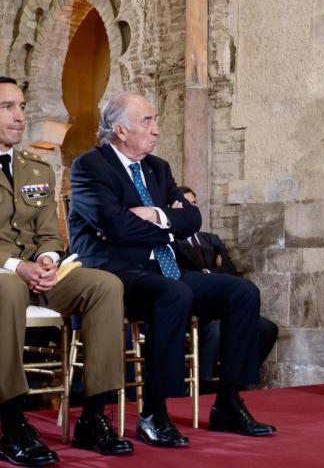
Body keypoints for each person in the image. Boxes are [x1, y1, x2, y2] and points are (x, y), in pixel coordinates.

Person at [0, 76, 132, 465]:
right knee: (7, 288)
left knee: (105, 285)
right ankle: (12, 422)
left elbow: (49, 235)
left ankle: (93, 417)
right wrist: (16, 266)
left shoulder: (37, 168)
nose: (20, 116)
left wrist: (47, 259)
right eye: (7, 107)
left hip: (34, 271)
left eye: (22, 106)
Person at [67, 92, 275, 448]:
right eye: (147, 121)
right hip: (116, 273)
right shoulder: (91, 166)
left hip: (167, 269)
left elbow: (192, 219)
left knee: (241, 292)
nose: (156, 130)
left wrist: (156, 215)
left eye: (155, 120)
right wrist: (167, 221)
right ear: (120, 130)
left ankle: (228, 402)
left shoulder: (157, 168)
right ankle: (154, 411)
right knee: (174, 293)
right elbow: (115, 227)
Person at [171, 186, 278, 387]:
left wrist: (209, 274)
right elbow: (179, 273)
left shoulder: (211, 239)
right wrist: (210, 271)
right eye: (186, 203)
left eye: (194, 203)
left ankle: (235, 382)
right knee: (215, 330)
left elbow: (229, 268)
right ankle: (205, 386)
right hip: (196, 309)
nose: (191, 207)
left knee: (267, 329)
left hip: (224, 302)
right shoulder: (171, 240)